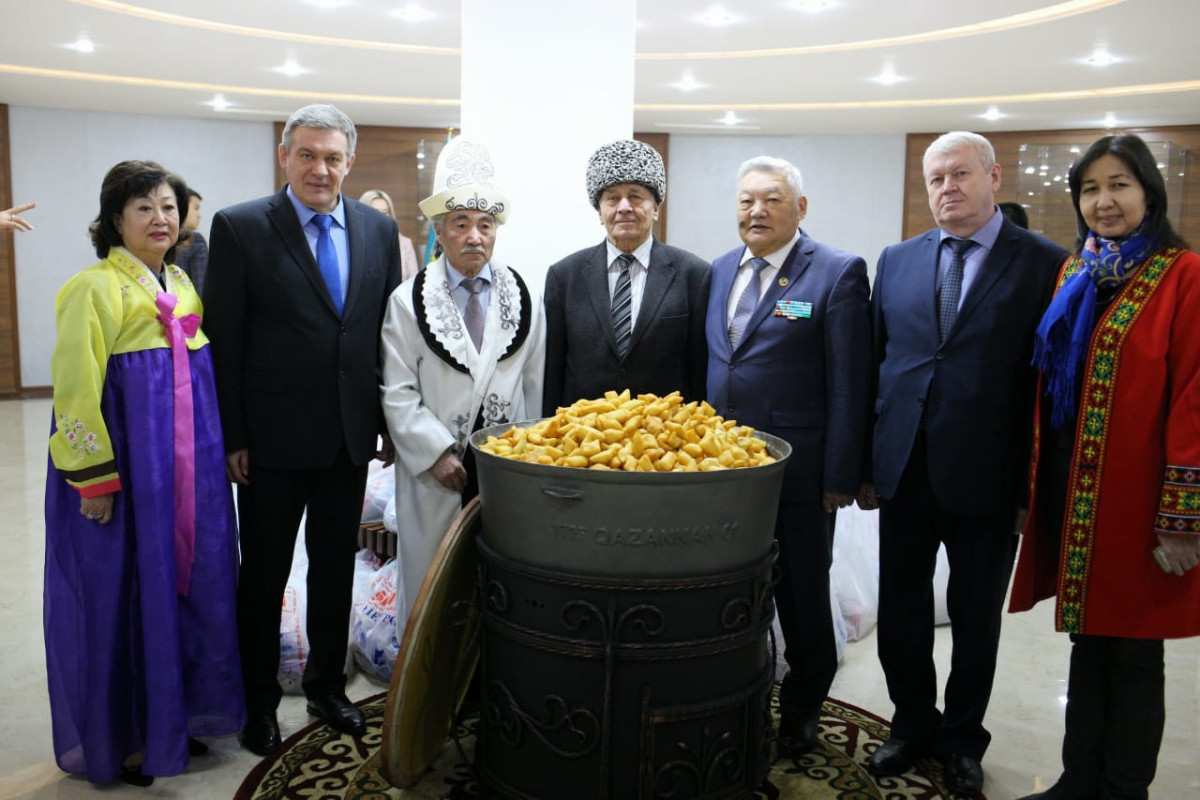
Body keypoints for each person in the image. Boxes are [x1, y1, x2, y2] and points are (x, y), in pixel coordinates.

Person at [858, 131, 1067, 796]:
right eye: (936, 178)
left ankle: (962, 740)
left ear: (993, 177)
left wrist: (1035, 487)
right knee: (901, 611)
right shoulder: (897, 260)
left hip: (989, 474)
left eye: (960, 174)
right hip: (904, 466)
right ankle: (910, 726)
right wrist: (866, 464)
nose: (947, 188)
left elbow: (1049, 385)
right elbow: (876, 364)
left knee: (975, 619)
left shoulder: (1044, 263)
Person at [203, 104, 402, 756]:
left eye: (333, 157)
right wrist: (234, 435)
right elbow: (225, 339)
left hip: (348, 436)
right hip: (269, 442)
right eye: (308, 155)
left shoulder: (377, 229)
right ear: (285, 156)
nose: (321, 169)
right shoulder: (241, 227)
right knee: (264, 576)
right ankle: (258, 701)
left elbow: (386, 337)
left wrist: (385, 422)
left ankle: (325, 687)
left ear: (350, 162)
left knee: (334, 571)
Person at [1009, 133, 1200, 800]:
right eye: (1090, 189)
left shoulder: (1183, 275)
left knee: (1136, 651)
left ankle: (1124, 789)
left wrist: (1181, 517)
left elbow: (1194, 400)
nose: (1103, 201)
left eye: (1119, 184)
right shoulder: (1076, 273)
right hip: (1074, 489)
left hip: (1139, 498)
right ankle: (1078, 779)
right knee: (1087, 641)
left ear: (1150, 192)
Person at [43, 161, 243, 786]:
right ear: (114, 220)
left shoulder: (180, 281)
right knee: (127, 589)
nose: (160, 219)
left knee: (190, 582)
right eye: (144, 208)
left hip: (189, 471)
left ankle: (175, 719)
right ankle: (128, 737)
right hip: (132, 471)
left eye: (168, 207)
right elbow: (75, 390)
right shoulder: (92, 288)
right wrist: (94, 479)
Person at [705, 156, 872, 756]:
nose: (757, 210)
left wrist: (840, 475)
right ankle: (739, 689)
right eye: (746, 200)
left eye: (772, 199)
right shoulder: (720, 269)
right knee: (734, 588)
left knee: (802, 596)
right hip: (724, 471)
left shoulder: (836, 272)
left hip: (800, 474)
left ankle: (803, 705)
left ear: (800, 208)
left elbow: (850, 384)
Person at [381, 137, 545, 630]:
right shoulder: (407, 301)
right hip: (434, 475)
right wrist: (434, 453)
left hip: (504, 473)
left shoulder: (525, 295)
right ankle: (426, 674)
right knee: (432, 588)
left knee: (500, 586)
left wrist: (524, 458)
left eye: (485, 225)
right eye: (460, 223)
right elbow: (398, 391)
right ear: (439, 230)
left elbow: (534, 387)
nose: (474, 236)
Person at [543, 139, 709, 414]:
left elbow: (699, 368)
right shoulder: (564, 277)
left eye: (635, 196)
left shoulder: (694, 274)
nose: (624, 207)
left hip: (663, 431)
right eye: (612, 198)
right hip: (585, 431)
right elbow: (553, 370)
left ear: (656, 208)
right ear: (600, 212)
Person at [359, 188, 421, 281]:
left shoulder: (404, 243)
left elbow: (414, 282)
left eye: (385, 213)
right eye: (375, 213)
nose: (381, 218)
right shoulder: (355, 244)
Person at [175, 188, 209, 295]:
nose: (199, 215)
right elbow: (201, 289)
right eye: (196, 208)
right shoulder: (195, 241)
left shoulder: (157, 239)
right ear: (182, 207)